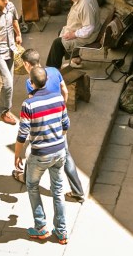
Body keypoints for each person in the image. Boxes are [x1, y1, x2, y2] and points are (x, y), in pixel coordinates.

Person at [19, 48, 85, 203]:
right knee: (66, 153)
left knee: (33, 150)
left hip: (43, 123)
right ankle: (78, 191)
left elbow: (34, 102)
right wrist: (63, 107)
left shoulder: (31, 82)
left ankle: (25, 177)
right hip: (59, 119)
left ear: (28, 65)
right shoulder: (54, 71)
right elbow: (64, 90)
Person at [15, 66, 70, 244]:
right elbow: (65, 125)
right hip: (59, 151)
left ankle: (40, 227)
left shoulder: (28, 104)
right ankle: (61, 232)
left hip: (40, 154)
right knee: (58, 190)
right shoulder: (59, 98)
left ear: (31, 83)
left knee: (32, 186)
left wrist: (17, 155)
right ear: (46, 80)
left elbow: (22, 134)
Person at [46, 0, 101, 69]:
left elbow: (88, 29)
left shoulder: (85, 5)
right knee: (62, 31)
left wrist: (74, 34)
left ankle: (52, 70)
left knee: (57, 43)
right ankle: (75, 59)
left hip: (89, 35)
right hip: (87, 29)